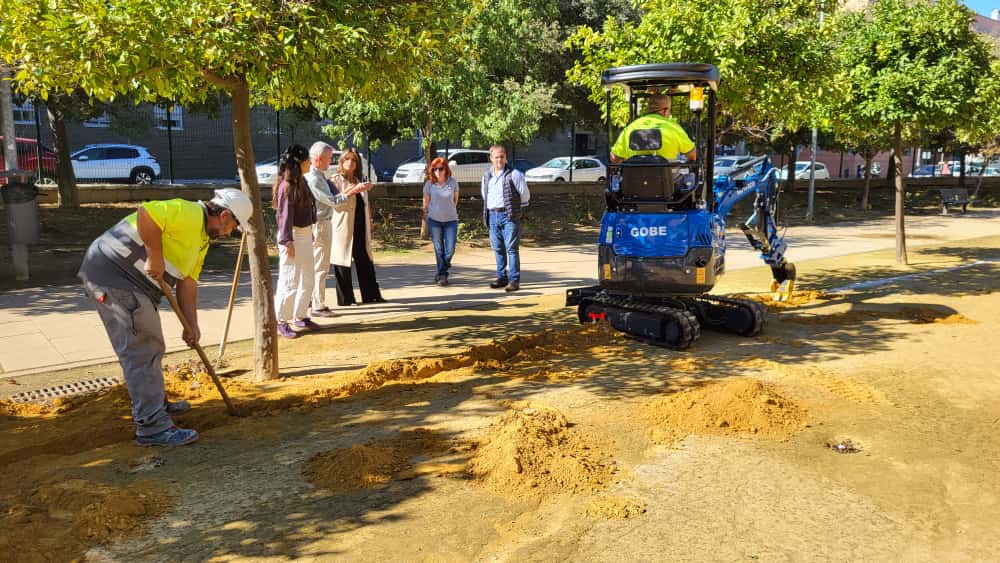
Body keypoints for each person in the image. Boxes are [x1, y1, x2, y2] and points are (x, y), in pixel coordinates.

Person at [78, 188, 251, 447]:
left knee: (152, 346)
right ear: (225, 215)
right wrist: (155, 256)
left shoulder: (202, 239)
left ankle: (155, 404)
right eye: (233, 228)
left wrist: (191, 324)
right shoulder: (189, 213)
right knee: (143, 350)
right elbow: (146, 213)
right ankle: (152, 427)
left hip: (135, 284)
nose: (229, 234)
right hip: (114, 276)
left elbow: (188, 282)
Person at [305, 142, 357, 317]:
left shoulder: (320, 176)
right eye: (328, 158)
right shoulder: (314, 179)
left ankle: (314, 301)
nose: (331, 161)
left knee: (319, 265)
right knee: (320, 266)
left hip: (324, 222)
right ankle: (317, 305)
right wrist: (352, 191)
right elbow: (332, 201)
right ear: (319, 159)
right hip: (320, 223)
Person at [273, 144, 319, 339]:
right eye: (307, 160)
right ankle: (281, 320)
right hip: (292, 235)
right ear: (299, 163)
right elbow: (284, 216)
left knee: (308, 277)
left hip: (305, 233)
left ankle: (300, 315)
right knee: (289, 279)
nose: (310, 164)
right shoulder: (287, 186)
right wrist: (287, 241)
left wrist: (310, 232)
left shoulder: (302, 181)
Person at [330, 148, 383, 305]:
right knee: (342, 261)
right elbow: (334, 202)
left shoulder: (360, 178)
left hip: (360, 225)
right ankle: (346, 299)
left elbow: (366, 203)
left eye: (354, 160)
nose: (350, 163)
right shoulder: (335, 180)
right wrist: (354, 190)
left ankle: (371, 295)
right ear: (341, 162)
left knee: (365, 260)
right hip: (343, 225)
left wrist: (370, 219)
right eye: (347, 159)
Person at [481, 144, 530, 292]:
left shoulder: (515, 174)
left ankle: (514, 281)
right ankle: (501, 277)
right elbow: (484, 195)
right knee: (498, 249)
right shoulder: (486, 176)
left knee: (512, 249)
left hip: (509, 216)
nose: (499, 160)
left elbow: (525, 195)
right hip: (492, 215)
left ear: (505, 157)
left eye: (502, 157)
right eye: (496, 157)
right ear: (491, 158)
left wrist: (514, 209)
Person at [609, 93, 696, 164]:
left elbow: (614, 159)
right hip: (667, 179)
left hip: (634, 179)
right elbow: (693, 155)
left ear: (649, 109)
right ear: (665, 110)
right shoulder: (674, 127)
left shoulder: (630, 128)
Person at [422, 157, 460, 286]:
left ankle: (443, 267)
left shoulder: (453, 183)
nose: (437, 171)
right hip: (435, 221)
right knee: (439, 249)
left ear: (446, 169)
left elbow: (455, 201)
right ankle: (443, 275)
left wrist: (447, 210)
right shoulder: (429, 184)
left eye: (440, 168)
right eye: (435, 169)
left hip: (451, 220)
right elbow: (426, 203)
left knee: (450, 249)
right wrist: (429, 213)